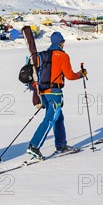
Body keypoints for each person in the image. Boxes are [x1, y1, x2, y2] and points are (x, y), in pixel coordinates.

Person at [27, 32, 86, 160]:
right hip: (54, 93)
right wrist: (81, 74)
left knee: (58, 117)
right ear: (61, 42)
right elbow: (70, 76)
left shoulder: (43, 55)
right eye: (63, 42)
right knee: (50, 119)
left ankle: (61, 145)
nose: (64, 44)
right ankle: (34, 146)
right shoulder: (62, 56)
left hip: (43, 92)